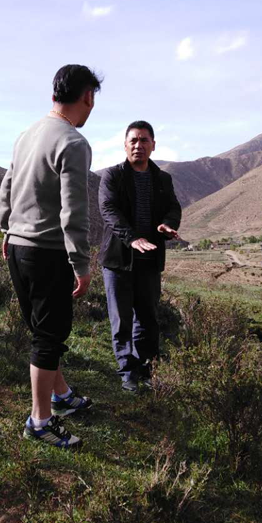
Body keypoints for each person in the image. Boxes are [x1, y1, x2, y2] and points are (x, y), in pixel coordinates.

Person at [0, 64, 101, 449]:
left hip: (18, 246)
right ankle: (40, 422)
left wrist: (6, 229)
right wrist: (82, 264)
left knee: (44, 330)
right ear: (87, 96)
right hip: (48, 251)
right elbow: (74, 211)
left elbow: (7, 186)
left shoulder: (27, 134)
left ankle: (61, 395)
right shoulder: (73, 142)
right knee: (49, 334)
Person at [98, 121, 181, 392]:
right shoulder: (113, 176)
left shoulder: (163, 179)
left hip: (150, 261)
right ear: (125, 145)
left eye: (144, 140)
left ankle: (146, 370)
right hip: (118, 261)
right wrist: (132, 238)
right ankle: (127, 373)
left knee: (147, 318)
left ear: (153, 145)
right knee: (121, 320)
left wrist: (167, 224)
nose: (138, 145)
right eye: (133, 140)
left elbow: (173, 207)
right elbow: (108, 210)